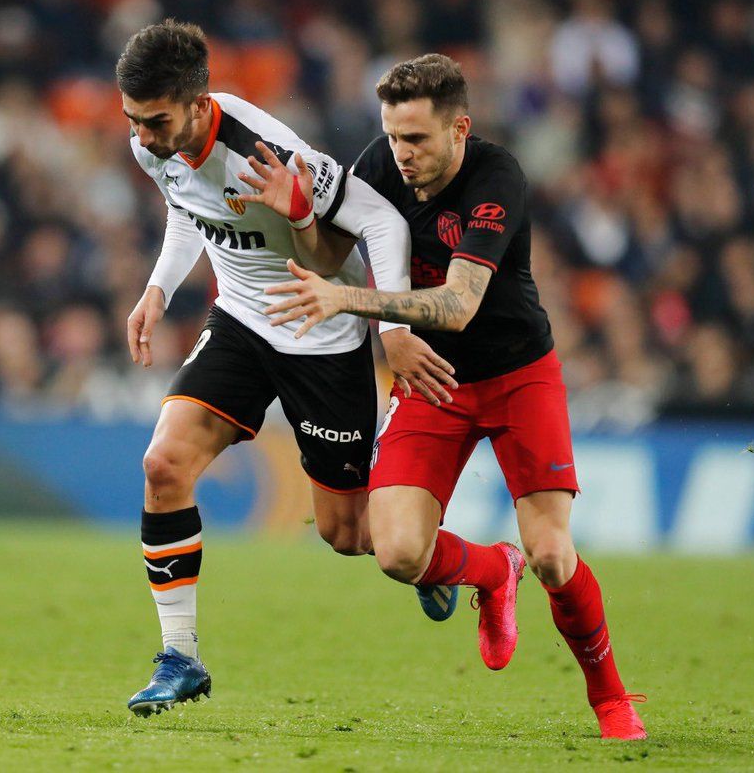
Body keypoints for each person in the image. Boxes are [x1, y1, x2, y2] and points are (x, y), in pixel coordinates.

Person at [260, 54, 647, 741]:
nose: (400, 154)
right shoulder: (380, 165)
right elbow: (328, 258)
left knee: (555, 556)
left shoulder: (496, 178)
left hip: (517, 374)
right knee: (397, 552)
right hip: (434, 381)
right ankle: (495, 570)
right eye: (393, 135)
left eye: (417, 139)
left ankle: (611, 700)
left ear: (459, 129)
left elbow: (460, 303)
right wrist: (298, 219)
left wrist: (367, 311)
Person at [117, 21, 457, 717]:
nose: (143, 138)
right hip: (241, 319)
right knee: (163, 466)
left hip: (320, 332)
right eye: (133, 121)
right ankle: (181, 657)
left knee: (350, 534)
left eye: (155, 122)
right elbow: (188, 206)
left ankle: (446, 555)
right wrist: (159, 287)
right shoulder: (153, 142)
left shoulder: (268, 151)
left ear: (198, 100)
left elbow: (384, 223)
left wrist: (389, 326)